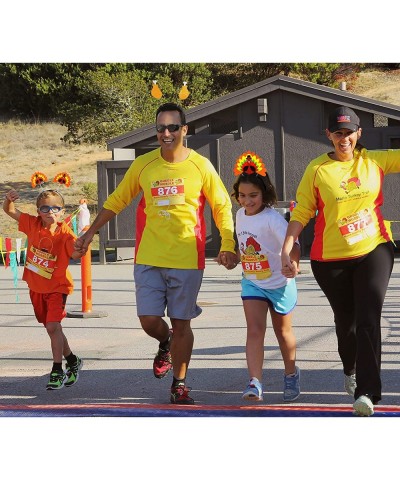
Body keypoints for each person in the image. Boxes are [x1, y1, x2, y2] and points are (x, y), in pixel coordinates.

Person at [74, 102, 237, 405]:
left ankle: (179, 383)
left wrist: (228, 243)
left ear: (184, 130)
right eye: (161, 127)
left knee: (182, 324)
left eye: (173, 127)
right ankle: (165, 343)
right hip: (149, 257)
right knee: (149, 319)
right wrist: (90, 231)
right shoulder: (144, 164)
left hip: (187, 259)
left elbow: (221, 206)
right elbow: (117, 199)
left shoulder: (201, 166)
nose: (166, 133)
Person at [281, 105, 400, 416]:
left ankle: (368, 393)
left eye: (349, 132)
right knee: (346, 326)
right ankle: (351, 371)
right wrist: (288, 246)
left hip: (374, 249)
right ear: (329, 135)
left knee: (368, 320)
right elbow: (303, 210)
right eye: (338, 132)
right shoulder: (318, 169)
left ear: (359, 133)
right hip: (329, 259)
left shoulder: (374, 160)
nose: (343, 137)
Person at [230, 152, 301, 402]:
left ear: (264, 194)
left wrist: (292, 263)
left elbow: (294, 243)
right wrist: (233, 258)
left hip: (280, 283)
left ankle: (291, 373)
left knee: (283, 333)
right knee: (254, 330)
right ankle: (255, 382)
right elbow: (246, 249)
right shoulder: (239, 216)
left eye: (253, 196)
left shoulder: (272, 219)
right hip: (253, 282)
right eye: (242, 195)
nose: (247, 201)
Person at [3, 188, 84, 390]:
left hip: (58, 287)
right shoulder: (32, 224)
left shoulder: (66, 233)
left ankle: (57, 369)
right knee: (53, 328)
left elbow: (75, 255)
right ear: (38, 211)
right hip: (36, 287)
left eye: (55, 208)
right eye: (45, 208)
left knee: (52, 327)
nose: (50, 212)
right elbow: (10, 211)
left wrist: (82, 246)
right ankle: (73, 360)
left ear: (63, 211)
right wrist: (8, 200)